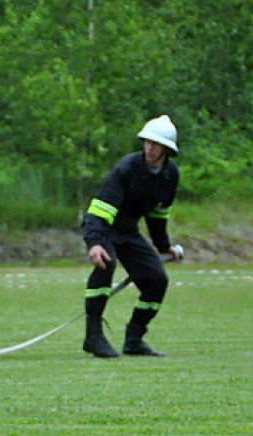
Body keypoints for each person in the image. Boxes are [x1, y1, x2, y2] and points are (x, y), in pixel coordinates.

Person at [81, 114, 184, 358]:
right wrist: (95, 243)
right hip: (105, 227)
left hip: (128, 231)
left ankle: (134, 339)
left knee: (157, 280)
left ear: (166, 150)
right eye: (147, 142)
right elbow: (99, 209)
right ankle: (93, 337)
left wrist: (163, 246)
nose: (149, 147)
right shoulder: (127, 168)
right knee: (106, 263)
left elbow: (158, 215)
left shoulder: (170, 175)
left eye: (155, 144)